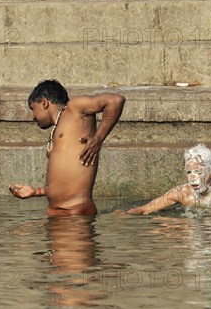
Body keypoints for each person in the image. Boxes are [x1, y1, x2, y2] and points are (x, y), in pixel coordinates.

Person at [9, 79, 125, 216]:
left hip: (75, 211)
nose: (33, 117)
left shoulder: (74, 108)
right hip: (57, 212)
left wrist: (98, 139)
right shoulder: (56, 130)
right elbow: (66, 179)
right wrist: (37, 191)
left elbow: (116, 100)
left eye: (33, 109)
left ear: (44, 103)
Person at [126, 144, 211, 215]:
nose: (192, 178)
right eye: (189, 172)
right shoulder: (182, 193)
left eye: (198, 172)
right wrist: (124, 215)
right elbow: (145, 209)